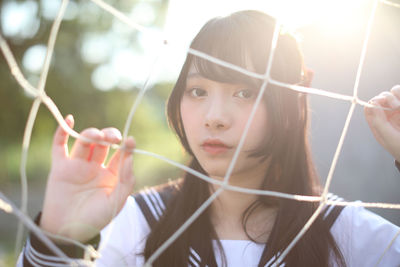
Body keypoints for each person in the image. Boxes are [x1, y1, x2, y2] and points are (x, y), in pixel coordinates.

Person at [18, 10, 400, 267]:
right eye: (198, 91)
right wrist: (57, 239)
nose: (214, 118)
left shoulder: (348, 234)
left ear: (292, 101)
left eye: (245, 92)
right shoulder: (136, 224)